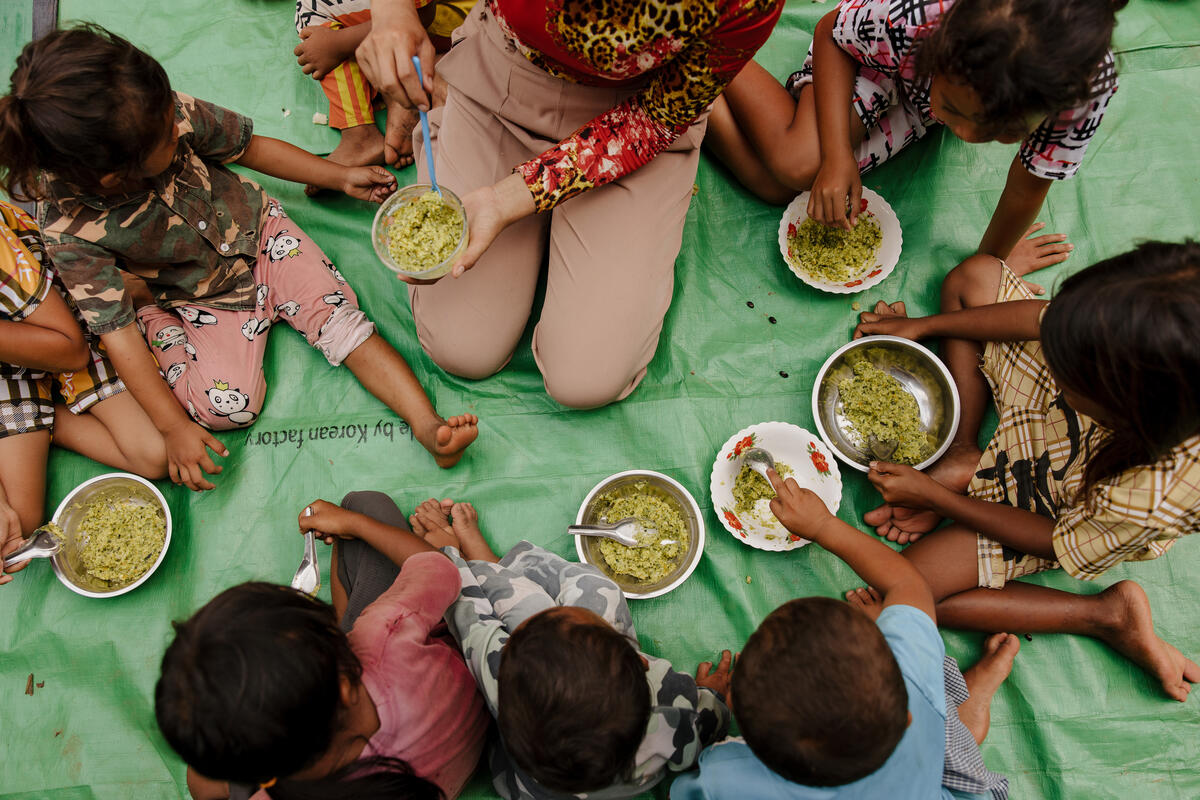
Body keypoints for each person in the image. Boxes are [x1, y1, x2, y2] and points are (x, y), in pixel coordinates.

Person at [0, 25, 479, 492]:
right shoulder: (68, 229)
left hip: (262, 233)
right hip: (197, 295)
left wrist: (336, 175)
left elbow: (249, 147)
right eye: (168, 139)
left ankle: (425, 422)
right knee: (229, 409)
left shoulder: (156, 110)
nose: (177, 124)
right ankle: (149, 306)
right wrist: (172, 430)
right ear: (111, 178)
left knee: (340, 322)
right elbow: (118, 339)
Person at [351, 0, 784, 408]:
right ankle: (448, 109)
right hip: (505, 78)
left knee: (585, 379)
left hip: (634, 119)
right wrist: (393, 13)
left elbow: (657, 118)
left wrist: (508, 199)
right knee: (463, 349)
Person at [853, 241, 1200, 701]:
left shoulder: (1150, 495)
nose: (1053, 354)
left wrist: (938, 499)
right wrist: (924, 326)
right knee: (971, 278)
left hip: (1065, 503)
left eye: (1067, 367)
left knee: (902, 592)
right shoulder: (1123, 323)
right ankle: (964, 453)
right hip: (1059, 416)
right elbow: (1041, 321)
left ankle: (1104, 615)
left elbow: (1051, 537)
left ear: (1122, 408)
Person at [672, 471, 1014, 800]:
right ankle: (962, 727)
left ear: (739, 717)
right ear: (904, 716)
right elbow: (907, 585)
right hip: (925, 777)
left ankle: (959, 729)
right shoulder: (908, 678)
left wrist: (709, 706)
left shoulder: (727, 777)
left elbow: (682, 782)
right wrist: (824, 526)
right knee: (936, 712)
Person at [707, 0, 1121, 264]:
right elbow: (832, 33)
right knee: (801, 166)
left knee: (776, 186)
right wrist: (837, 158)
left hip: (919, 104)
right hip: (862, 57)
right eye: (957, 111)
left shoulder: (1080, 88)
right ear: (936, 50)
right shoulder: (918, 18)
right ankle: (706, 42)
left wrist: (992, 264)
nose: (967, 135)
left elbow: (1028, 186)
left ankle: (694, 92)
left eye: (1002, 133)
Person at [155, 491, 489, 800]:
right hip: (465, 725)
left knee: (199, 784)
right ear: (342, 685)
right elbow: (438, 568)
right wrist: (353, 523)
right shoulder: (381, 635)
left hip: (425, 779)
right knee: (363, 504)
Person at [400, 498, 734, 799]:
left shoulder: (503, 678)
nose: (561, 608)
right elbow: (701, 730)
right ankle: (496, 565)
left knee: (521, 604)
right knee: (600, 591)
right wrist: (713, 699)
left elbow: (468, 615)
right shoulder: (667, 725)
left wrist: (448, 555)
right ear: (639, 661)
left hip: (531, 784)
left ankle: (489, 567)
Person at [0, 198, 166, 585]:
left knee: (156, 454)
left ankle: (42, 412)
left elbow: (70, 351)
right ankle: (44, 414)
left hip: (56, 323)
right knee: (16, 527)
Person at [293, 0, 473, 178]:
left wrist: (338, 43)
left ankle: (359, 130)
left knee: (310, 12)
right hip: (452, 29)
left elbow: (422, 14)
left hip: (446, 27)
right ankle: (403, 85)